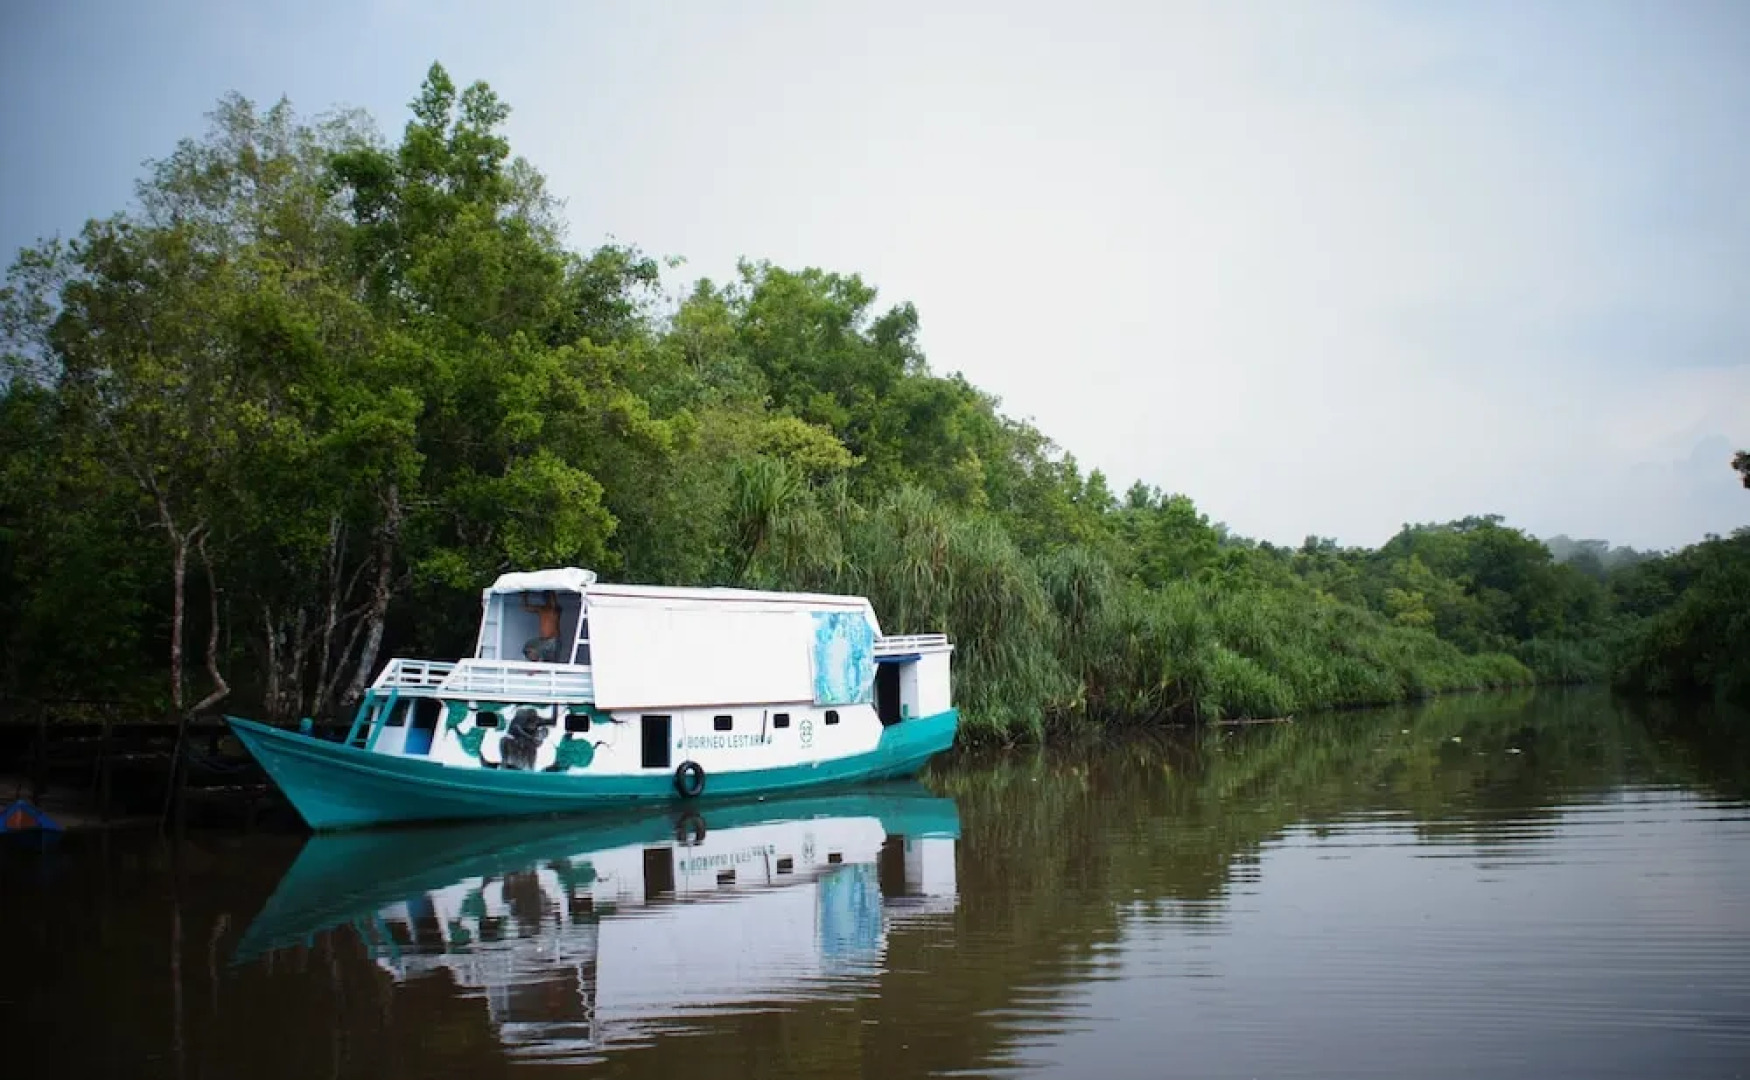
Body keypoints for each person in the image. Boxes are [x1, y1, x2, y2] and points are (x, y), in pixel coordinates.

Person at [522, 590, 562, 662]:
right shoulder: (542, 609)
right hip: (543, 640)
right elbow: (526, 607)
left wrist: (551, 591)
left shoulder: (556, 609)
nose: (548, 599)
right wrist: (524, 596)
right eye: (546, 598)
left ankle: (538, 667)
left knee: (550, 659)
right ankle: (537, 665)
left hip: (553, 640)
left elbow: (554, 604)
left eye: (549, 598)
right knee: (528, 648)